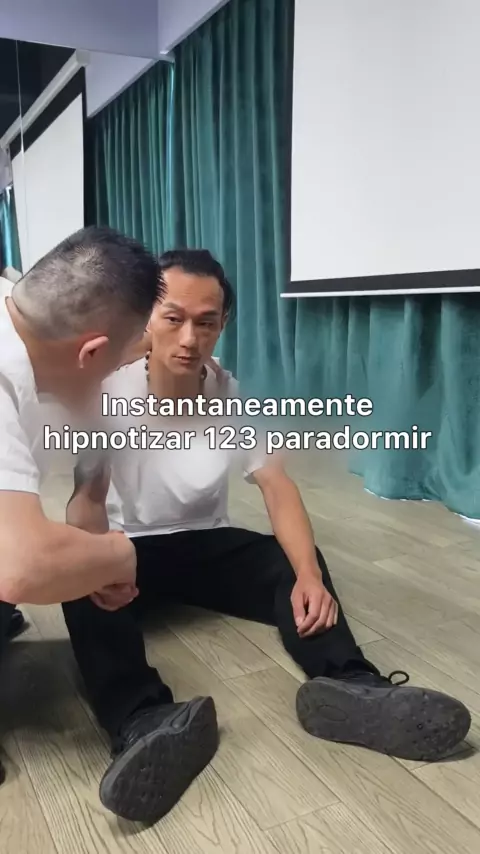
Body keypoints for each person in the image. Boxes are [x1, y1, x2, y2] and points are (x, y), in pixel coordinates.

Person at [64, 248, 471, 825]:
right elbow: (85, 504)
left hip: (205, 545)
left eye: (206, 322)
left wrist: (309, 576)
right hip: (129, 552)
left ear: (223, 324)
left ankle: (352, 682)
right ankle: (142, 719)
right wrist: (92, 564)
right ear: (147, 318)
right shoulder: (106, 397)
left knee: (293, 560)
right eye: (173, 318)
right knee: (73, 575)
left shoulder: (233, 396)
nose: (190, 338)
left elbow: (277, 487)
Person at [0, 225, 164, 785]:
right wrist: (120, 557)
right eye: (112, 371)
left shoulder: (22, 311)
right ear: (90, 352)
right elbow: (23, 566)